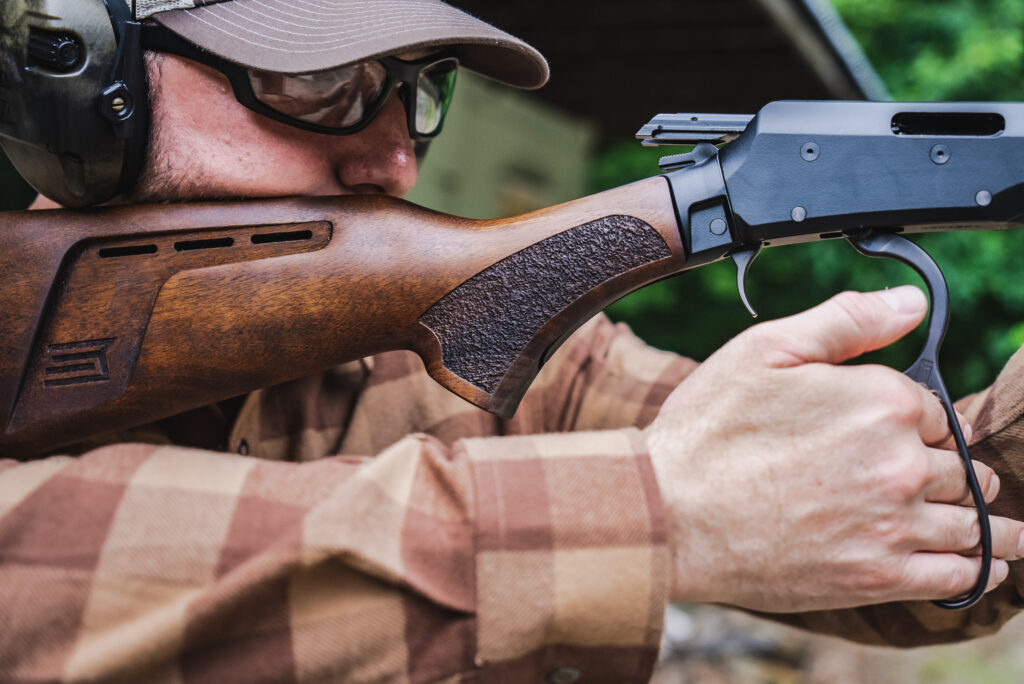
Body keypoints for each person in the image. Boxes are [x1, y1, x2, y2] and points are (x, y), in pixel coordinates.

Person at [2, 0, 1023, 681]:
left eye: (418, 87)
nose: (396, 155)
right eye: (320, 82)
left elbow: (949, 539)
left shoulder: (466, 351)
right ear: (81, 77)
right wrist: (659, 517)